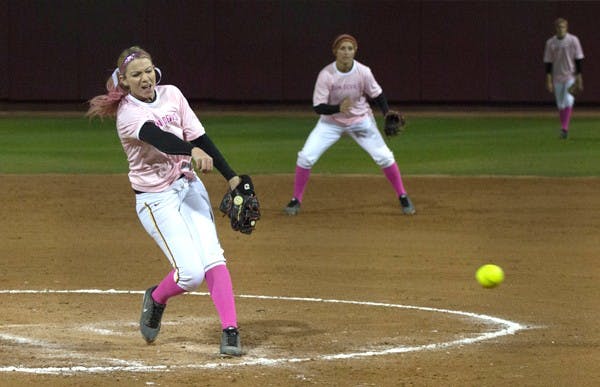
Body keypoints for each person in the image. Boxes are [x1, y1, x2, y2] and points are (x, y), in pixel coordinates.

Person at [86, 46, 250, 356]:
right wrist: (191, 151)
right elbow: (158, 137)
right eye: (136, 74)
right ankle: (157, 297)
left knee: (213, 256)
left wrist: (230, 176)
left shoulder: (172, 94)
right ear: (124, 81)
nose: (145, 78)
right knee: (190, 274)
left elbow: (200, 137)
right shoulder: (129, 114)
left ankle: (230, 330)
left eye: (148, 71)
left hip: (188, 186)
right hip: (155, 198)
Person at [284, 34, 415, 216]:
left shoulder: (363, 72)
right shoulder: (326, 75)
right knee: (305, 157)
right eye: (342, 48)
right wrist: (338, 107)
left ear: (355, 51)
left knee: (385, 157)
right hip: (330, 123)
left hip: (360, 120)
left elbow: (377, 94)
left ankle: (403, 196)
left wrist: (386, 113)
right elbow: (318, 107)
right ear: (335, 52)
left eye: (350, 48)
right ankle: (296, 199)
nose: (346, 52)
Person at [543, 17, 584, 139]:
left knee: (568, 100)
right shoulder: (551, 43)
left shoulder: (573, 40)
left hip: (570, 75)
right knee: (560, 105)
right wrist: (548, 79)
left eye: (563, 27)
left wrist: (579, 77)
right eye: (558, 27)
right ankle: (564, 127)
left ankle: (564, 129)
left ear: (566, 28)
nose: (561, 29)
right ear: (555, 28)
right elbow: (548, 62)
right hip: (557, 77)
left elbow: (578, 59)